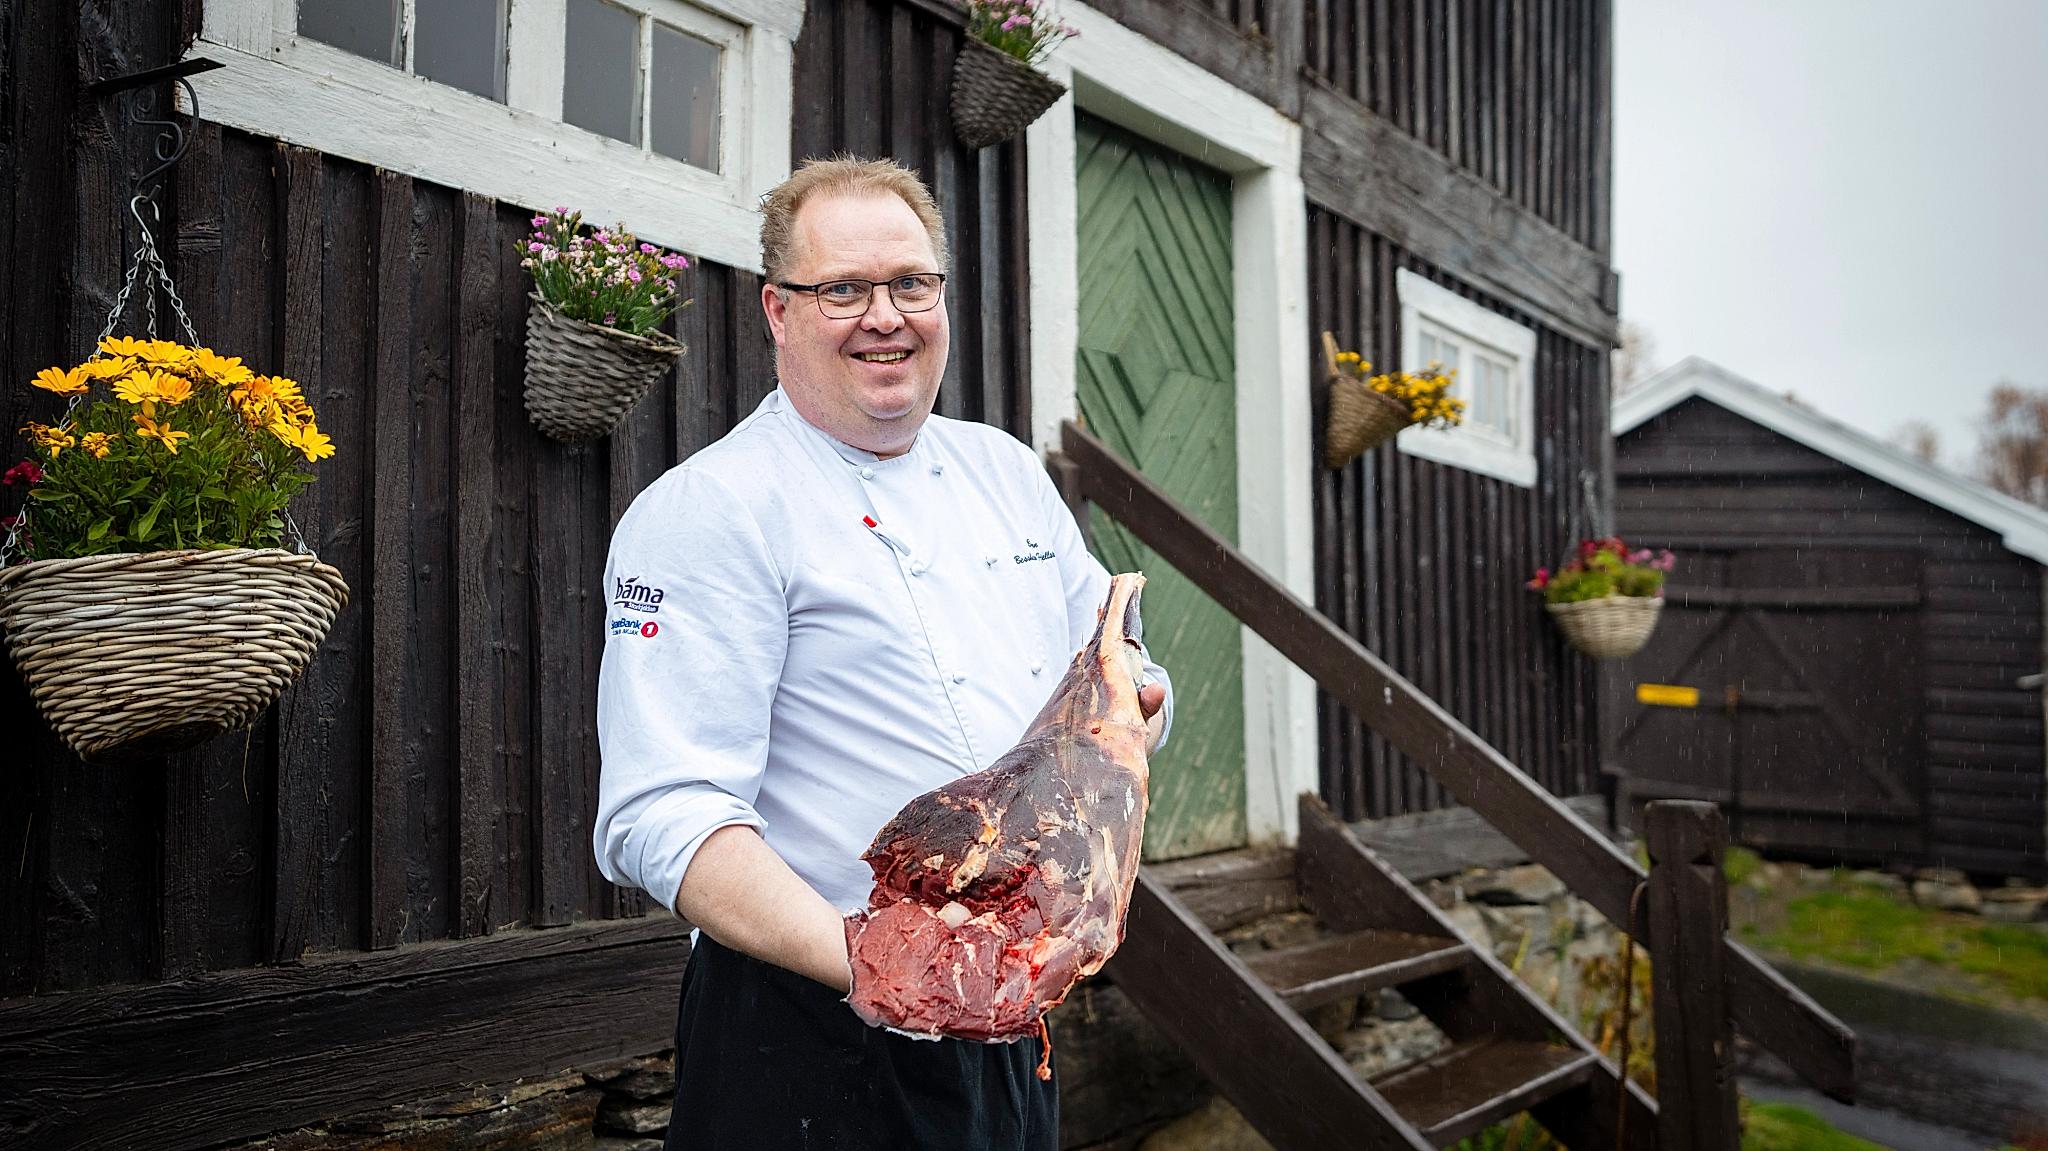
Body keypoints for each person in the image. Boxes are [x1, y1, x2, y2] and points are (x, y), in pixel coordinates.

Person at [593, 156, 1172, 1151]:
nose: (884, 315)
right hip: (811, 1020)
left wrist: (1126, 710)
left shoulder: (1004, 470)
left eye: (910, 283)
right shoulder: (709, 509)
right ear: (777, 311)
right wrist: (878, 960)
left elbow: (1117, 665)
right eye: (843, 290)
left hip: (1004, 1005)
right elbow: (663, 813)